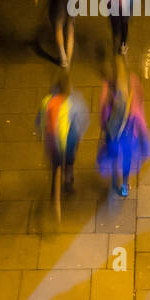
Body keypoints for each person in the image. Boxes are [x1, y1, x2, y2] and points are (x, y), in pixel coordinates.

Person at [97, 56, 150, 198]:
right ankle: (124, 186)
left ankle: (115, 181)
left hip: (113, 137)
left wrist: (106, 128)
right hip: (129, 137)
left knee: (115, 159)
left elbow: (103, 115)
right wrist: (143, 134)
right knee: (127, 160)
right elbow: (139, 112)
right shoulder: (133, 83)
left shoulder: (107, 87)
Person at [35, 75, 89, 220]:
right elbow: (82, 120)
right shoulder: (75, 100)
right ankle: (68, 181)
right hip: (70, 139)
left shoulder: (47, 100)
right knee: (69, 162)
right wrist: (80, 136)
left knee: (56, 164)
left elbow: (40, 121)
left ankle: (55, 188)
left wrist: (42, 137)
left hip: (53, 141)